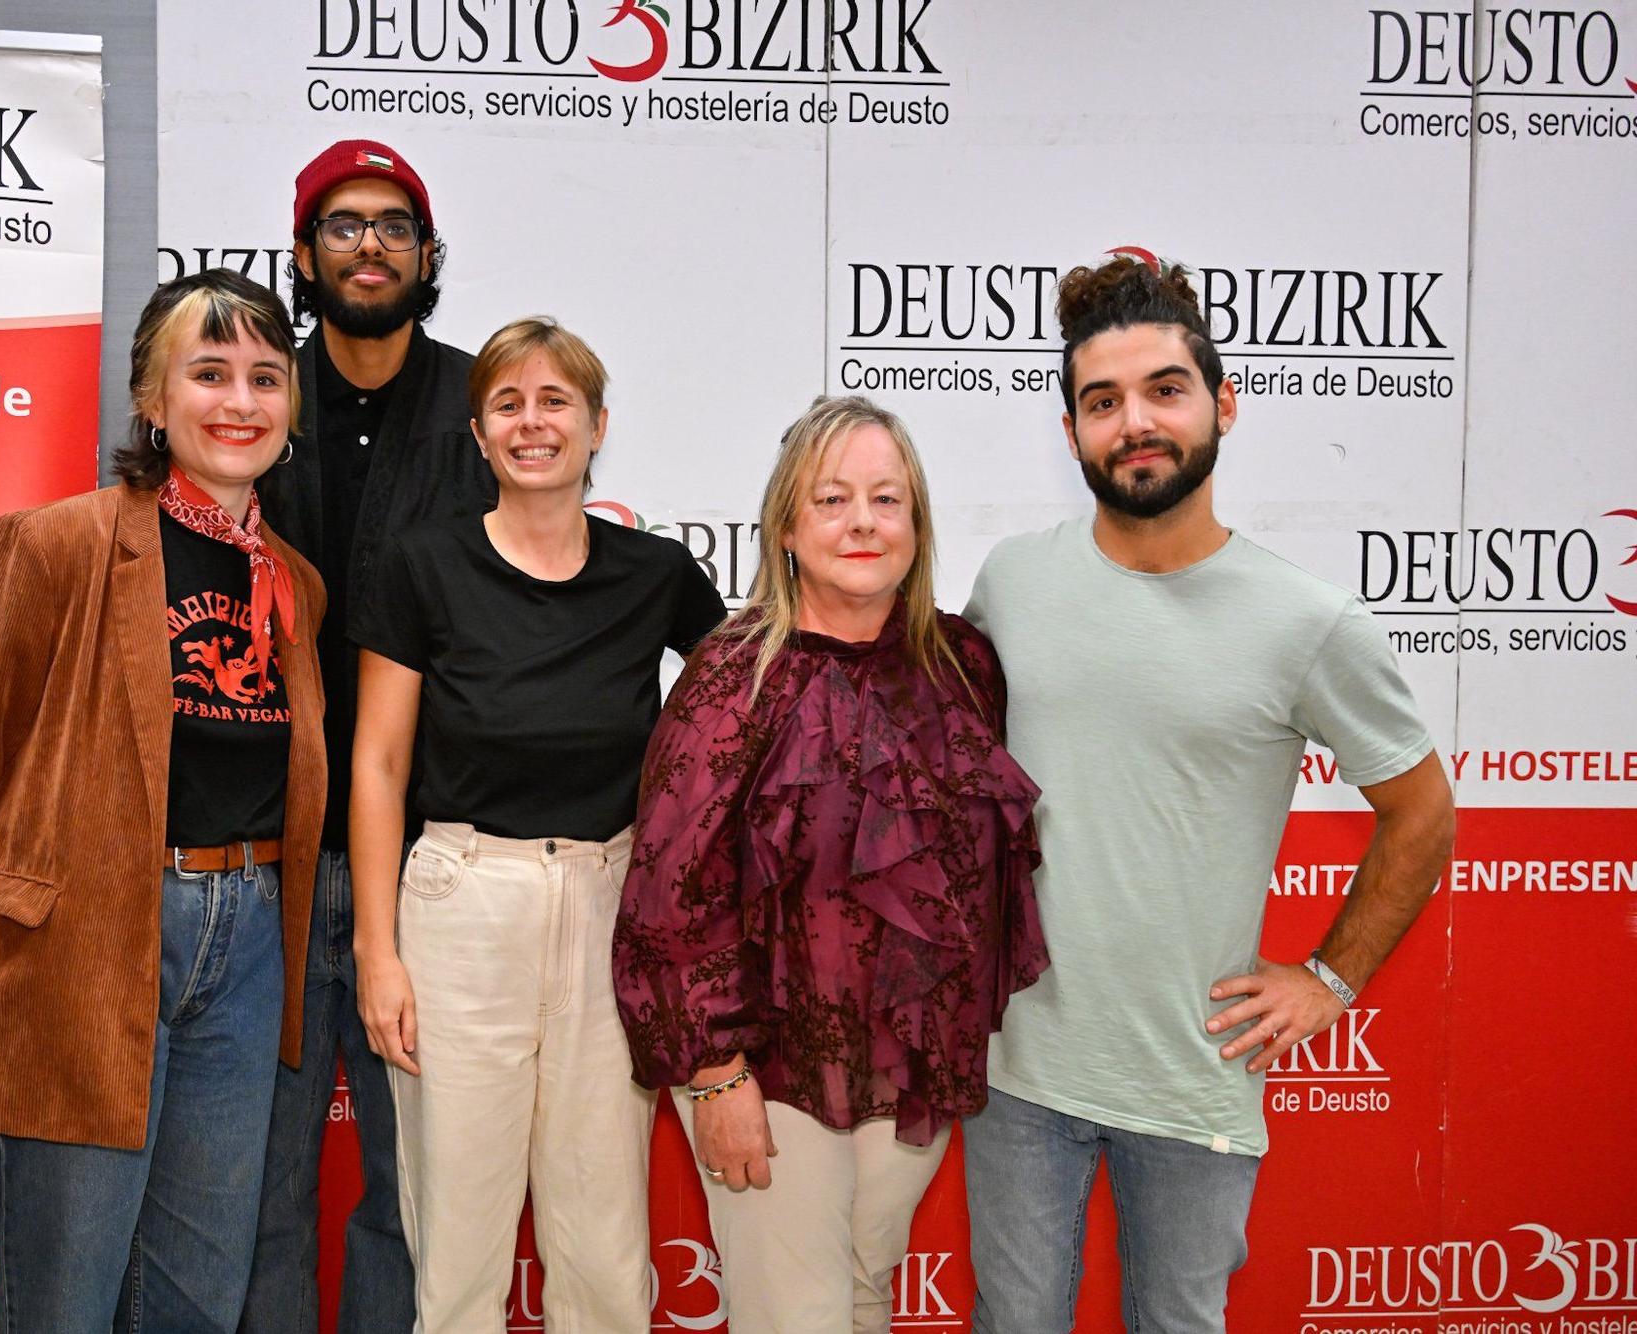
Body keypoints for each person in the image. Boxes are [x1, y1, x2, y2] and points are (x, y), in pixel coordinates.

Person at [960, 255, 1456, 1333]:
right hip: (1018, 1070)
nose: (1133, 421)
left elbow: (1421, 812)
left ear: (1221, 403)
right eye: (1101, 401)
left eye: (1163, 390)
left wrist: (1329, 976)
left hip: (1192, 1082)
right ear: (1070, 432)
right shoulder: (1010, 582)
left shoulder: (1306, 619)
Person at [0, 268, 328, 1331]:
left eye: (265, 377)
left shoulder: (293, 581)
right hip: (82, 946)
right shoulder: (53, 545)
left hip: (244, 952)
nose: (239, 401)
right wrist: (18, 926)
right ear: (151, 396)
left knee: (195, 1297)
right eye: (208, 372)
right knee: (63, 1300)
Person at [613, 395, 1050, 1334]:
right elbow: (666, 900)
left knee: (861, 1299)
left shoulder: (965, 664)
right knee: (796, 1318)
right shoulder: (735, 676)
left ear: (918, 524)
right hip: (768, 1067)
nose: (862, 523)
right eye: (833, 500)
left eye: (886, 501)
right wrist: (716, 1077)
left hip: (910, 1062)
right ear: (786, 527)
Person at [347, 317, 726, 1333]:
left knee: (602, 1244)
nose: (532, 421)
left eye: (554, 400)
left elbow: (745, 713)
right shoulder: (423, 565)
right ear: (478, 436)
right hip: (460, 901)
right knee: (459, 1243)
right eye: (507, 403)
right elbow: (379, 765)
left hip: (610, 909)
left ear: (597, 424)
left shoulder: (655, 573)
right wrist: (375, 949)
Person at [243, 138, 494, 1334]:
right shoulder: (253, 401)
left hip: (431, 862)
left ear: (427, 254)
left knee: (411, 1195)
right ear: (303, 255)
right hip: (265, 865)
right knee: (260, 1193)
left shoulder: (484, 409)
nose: (369, 244)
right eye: (343, 224)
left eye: (394, 225)